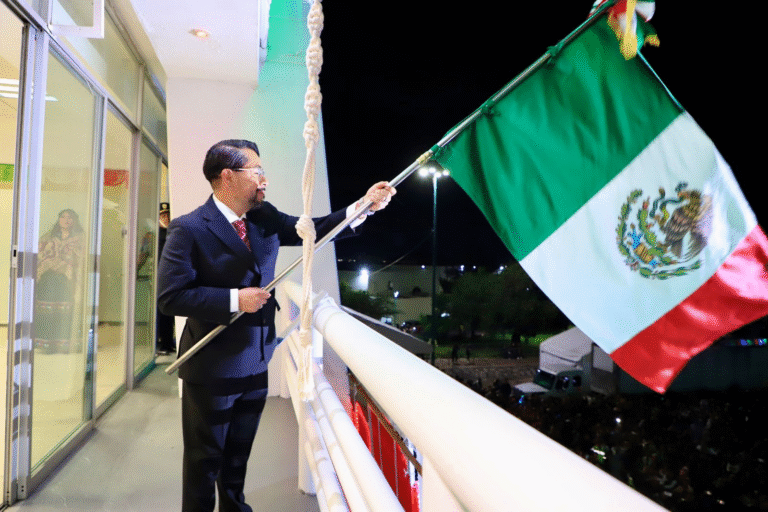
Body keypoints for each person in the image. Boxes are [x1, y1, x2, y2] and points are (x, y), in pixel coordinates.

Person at [157, 139, 395, 512]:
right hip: (211, 366)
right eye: (256, 171)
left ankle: (235, 508)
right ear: (227, 177)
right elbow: (171, 297)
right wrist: (236, 299)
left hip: (257, 359)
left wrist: (362, 206)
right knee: (205, 460)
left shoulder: (264, 216)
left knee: (238, 457)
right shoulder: (188, 228)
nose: (264, 179)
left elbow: (315, 230)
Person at [35, 209, 85, 354]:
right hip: (48, 279)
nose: (66, 220)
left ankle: (64, 345)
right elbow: (41, 255)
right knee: (47, 310)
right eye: (63, 217)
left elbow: (81, 259)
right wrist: (52, 261)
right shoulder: (49, 237)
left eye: (70, 217)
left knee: (65, 310)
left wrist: (65, 263)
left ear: (74, 220)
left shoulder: (81, 238)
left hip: (67, 280)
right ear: (59, 220)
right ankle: (46, 345)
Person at [155, 202, 176, 355]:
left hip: (176, 277)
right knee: (162, 312)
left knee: (173, 311)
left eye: (167, 215)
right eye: (162, 215)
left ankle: (169, 342)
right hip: (160, 278)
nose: (165, 218)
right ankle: (163, 344)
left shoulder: (176, 232)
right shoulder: (153, 235)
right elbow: (144, 253)